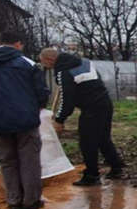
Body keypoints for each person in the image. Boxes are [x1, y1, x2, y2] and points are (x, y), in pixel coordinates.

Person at [0, 31, 49, 209]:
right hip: (25, 119)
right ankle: (31, 201)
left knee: (7, 161)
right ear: (18, 44)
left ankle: (14, 201)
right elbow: (41, 92)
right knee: (28, 160)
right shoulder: (27, 64)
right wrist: (37, 108)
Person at [38, 47, 125, 186]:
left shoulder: (63, 71)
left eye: (43, 63)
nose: (44, 66)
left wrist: (60, 119)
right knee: (103, 138)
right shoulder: (84, 62)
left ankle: (91, 176)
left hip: (92, 109)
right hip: (105, 103)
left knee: (87, 142)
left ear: (50, 59)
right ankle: (117, 167)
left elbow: (68, 99)